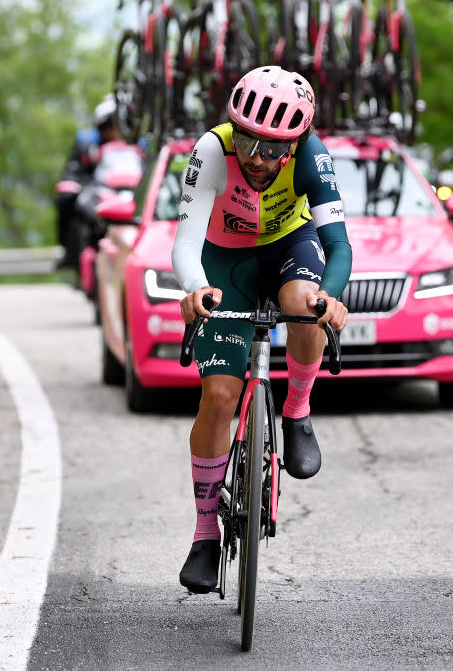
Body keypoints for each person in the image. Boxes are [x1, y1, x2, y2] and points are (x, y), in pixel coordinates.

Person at [170, 65, 352, 594]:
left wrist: (330, 296)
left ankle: (296, 410)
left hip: (287, 248)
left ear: (293, 145)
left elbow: (337, 245)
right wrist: (196, 289)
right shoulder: (211, 150)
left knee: (304, 302)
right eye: (248, 140)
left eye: (272, 149)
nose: (256, 157)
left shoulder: (313, 156)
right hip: (223, 261)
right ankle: (206, 533)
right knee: (220, 398)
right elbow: (185, 241)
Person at [55, 94, 122, 269]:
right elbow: (73, 171)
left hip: (126, 190)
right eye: (109, 125)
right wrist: (76, 186)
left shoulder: (139, 143)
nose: (114, 131)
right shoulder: (85, 141)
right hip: (93, 188)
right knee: (66, 200)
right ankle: (70, 253)